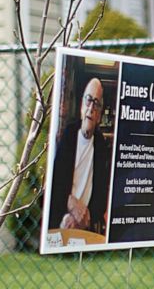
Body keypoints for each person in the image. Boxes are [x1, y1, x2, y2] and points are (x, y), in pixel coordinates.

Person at [48, 77, 112, 236]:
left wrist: (86, 217)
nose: (91, 108)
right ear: (82, 106)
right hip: (60, 219)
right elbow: (53, 183)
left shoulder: (101, 147)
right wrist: (69, 204)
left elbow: (101, 195)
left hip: (86, 224)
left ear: (99, 116)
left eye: (96, 104)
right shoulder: (66, 136)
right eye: (89, 101)